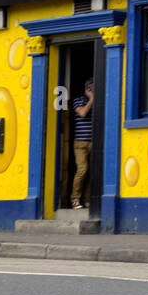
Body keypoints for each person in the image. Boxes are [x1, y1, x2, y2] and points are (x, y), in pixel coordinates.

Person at [69, 79, 94, 209]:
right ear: (88, 89)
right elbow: (83, 113)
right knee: (82, 169)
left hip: (93, 142)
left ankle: (87, 199)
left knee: (91, 171)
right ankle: (75, 199)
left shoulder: (96, 101)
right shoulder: (79, 100)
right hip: (81, 143)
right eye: (93, 88)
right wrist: (91, 100)